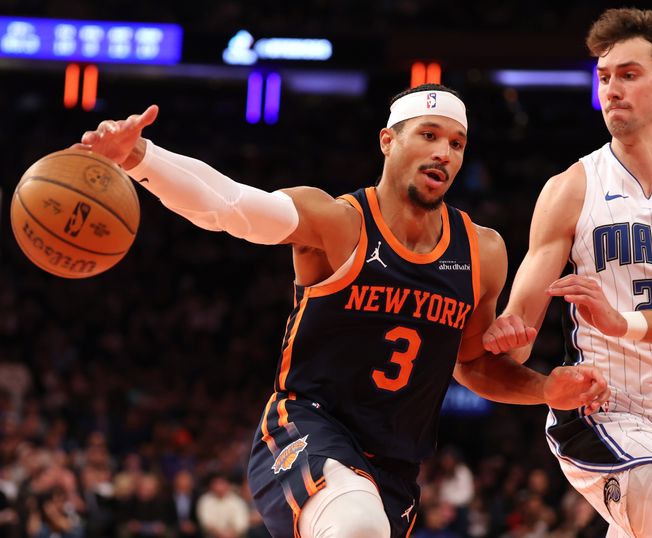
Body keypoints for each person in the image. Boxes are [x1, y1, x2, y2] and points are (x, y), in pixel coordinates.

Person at [76, 83, 610, 538]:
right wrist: (143, 158)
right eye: (428, 135)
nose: (444, 152)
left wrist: (544, 388)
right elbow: (230, 207)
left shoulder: (483, 251)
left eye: (456, 143)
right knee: (356, 525)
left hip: (397, 464)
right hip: (305, 426)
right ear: (388, 141)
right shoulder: (336, 222)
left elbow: (472, 366)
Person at [480, 8, 652, 538]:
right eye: (604, 78)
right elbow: (517, 335)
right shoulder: (570, 188)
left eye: (629, 75)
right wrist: (505, 333)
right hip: (602, 412)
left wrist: (621, 317)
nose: (612, 89)